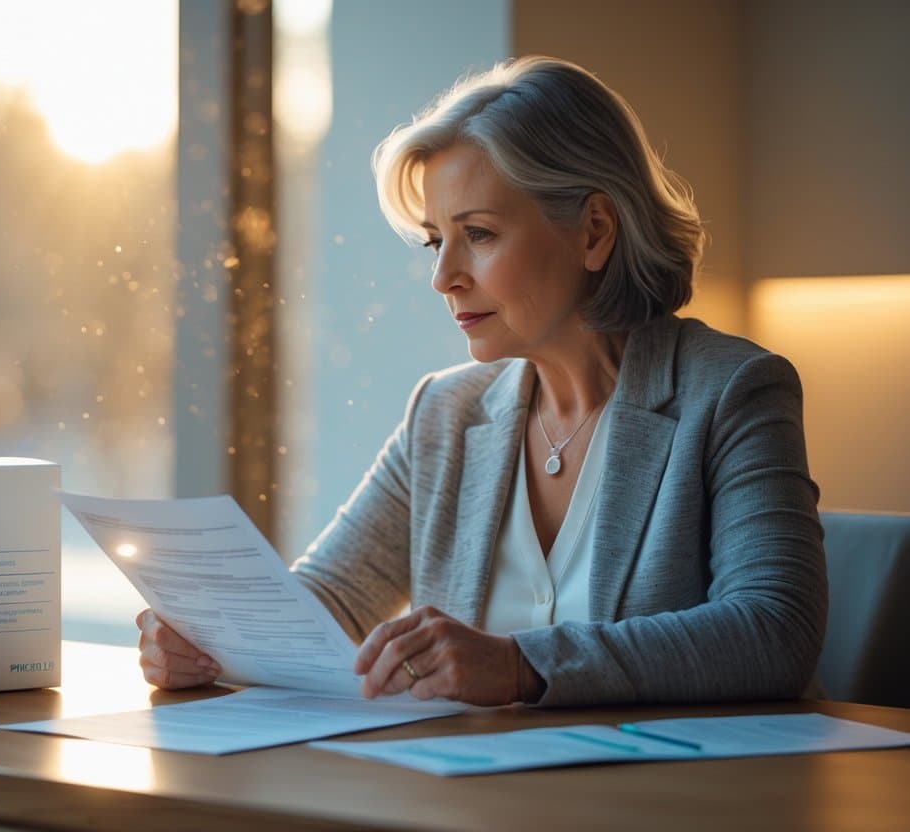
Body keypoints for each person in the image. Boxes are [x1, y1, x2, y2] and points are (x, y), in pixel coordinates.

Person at [135, 56, 827, 707]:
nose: (443, 277)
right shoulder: (445, 411)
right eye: (437, 240)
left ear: (593, 230)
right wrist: (209, 639)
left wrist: (520, 666)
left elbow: (772, 632)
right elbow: (329, 600)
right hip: (463, 795)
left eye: (481, 234)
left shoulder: (731, 390)